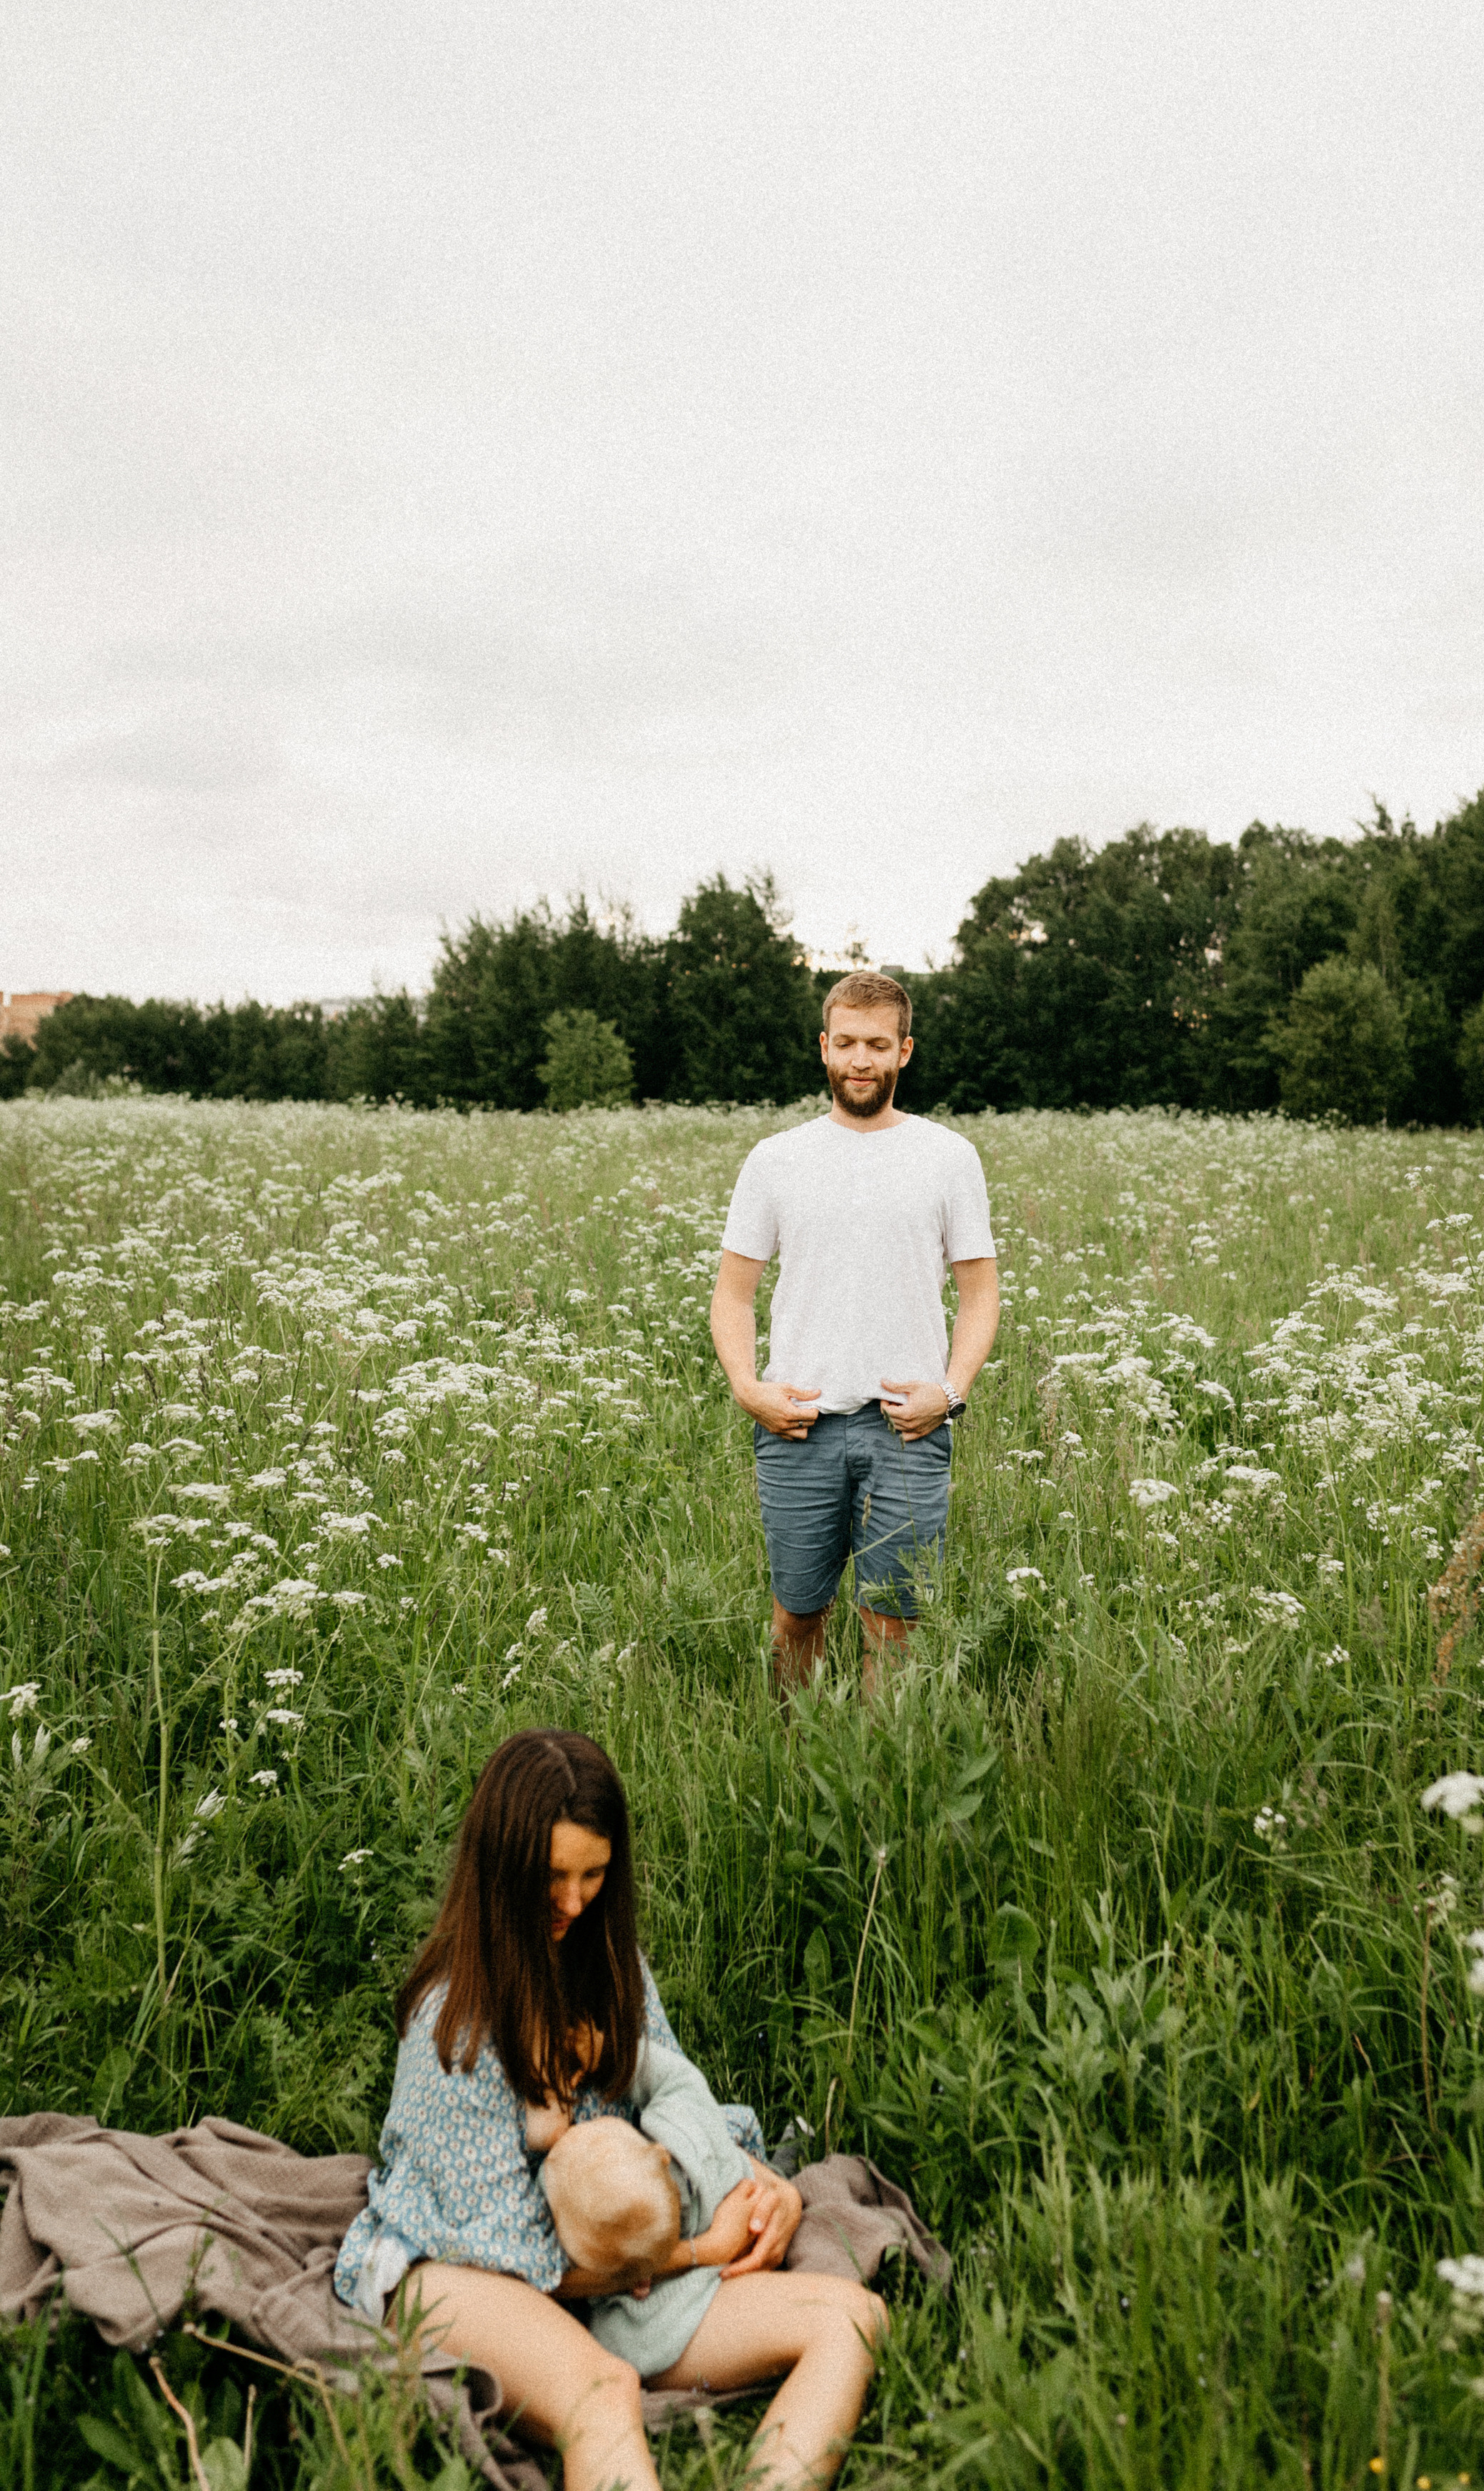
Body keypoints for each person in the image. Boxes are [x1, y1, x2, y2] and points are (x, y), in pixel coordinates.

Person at [334, 1730, 885, 2491]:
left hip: (620, 2277)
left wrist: (766, 2188)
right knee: (602, 2395)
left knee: (853, 2317)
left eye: (593, 1875)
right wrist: (695, 2251)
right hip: (466, 2272)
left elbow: (674, 2102)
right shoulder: (453, 2024)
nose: (571, 1900)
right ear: (504, 1869)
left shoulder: (610, 1964)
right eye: (553, 1876)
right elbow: (518, 2259)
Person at [709, 970, 1000, 1695]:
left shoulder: (948, 1156)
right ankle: (787, 1757)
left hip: (908, 1427)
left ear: (904, 1050)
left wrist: (950, 1393)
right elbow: (732, 1294)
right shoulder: (775, 1158)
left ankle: (876, 1786)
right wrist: (749, 1389)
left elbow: (979, 1292)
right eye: (845, 1043)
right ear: (823, 1047)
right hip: (796, 1423)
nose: (860, 1060)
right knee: (796, 1614)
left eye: (876, 1045)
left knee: (893, 1626)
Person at [536, 2036, 751, 2379]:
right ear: (659, 2153)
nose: (566, 2135)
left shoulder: (631, 2309)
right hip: (747, 2203)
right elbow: (673, 2076)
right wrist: (607, 2049)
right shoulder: (685, 2119)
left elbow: (623, 2346)